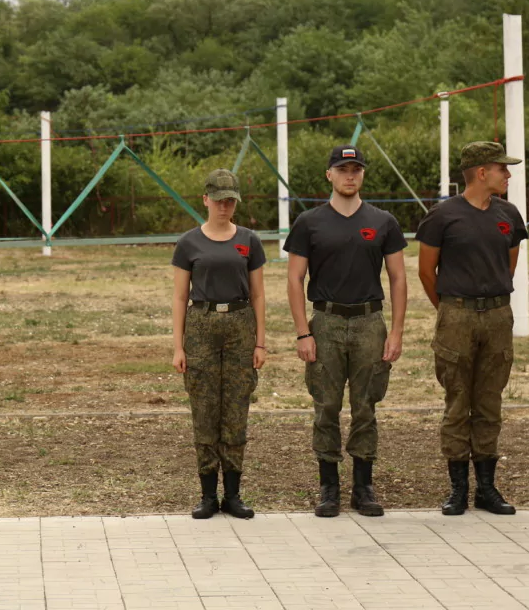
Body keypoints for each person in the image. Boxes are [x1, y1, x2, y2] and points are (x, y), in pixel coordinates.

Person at [284, 145, 407, 517]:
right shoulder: (310, 222)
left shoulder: (383, 221)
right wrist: (304, 333)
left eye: (356, 169)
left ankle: (363, 487)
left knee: (366, 406)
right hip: (327, 322)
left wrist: (397, 331)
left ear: (363, 174)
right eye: (342, 169)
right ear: (330, 175)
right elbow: (294, 278)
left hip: (370, 322)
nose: (349, 175)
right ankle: (329, 487)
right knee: (326, 406)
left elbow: (399, 278)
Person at [416, 141, 528, 516]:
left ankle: (487, 488)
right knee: (457, 401)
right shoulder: (442, 216)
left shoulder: (509, 214)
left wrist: (487, 301)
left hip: (497, 316)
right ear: (482, 172)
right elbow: (425, 271)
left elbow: (507, 265)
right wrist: (451, 308)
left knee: (489, 401)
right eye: (502, 168)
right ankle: (458, 489)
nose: (508, 175)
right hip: (457, 316)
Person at [172, 169, 267, 519]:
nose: (225, 206)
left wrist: (260, 342)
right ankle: (208, 494)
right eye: (219, 200)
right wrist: (178, 346)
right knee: (205, 406)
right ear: (206, 200)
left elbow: (258, 294)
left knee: (236, 408)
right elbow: (180, 296)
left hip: (241, 324)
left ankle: (234, 493)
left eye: (231, 200)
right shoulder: (188, 243)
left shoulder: (249, 240)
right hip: (201, 325)